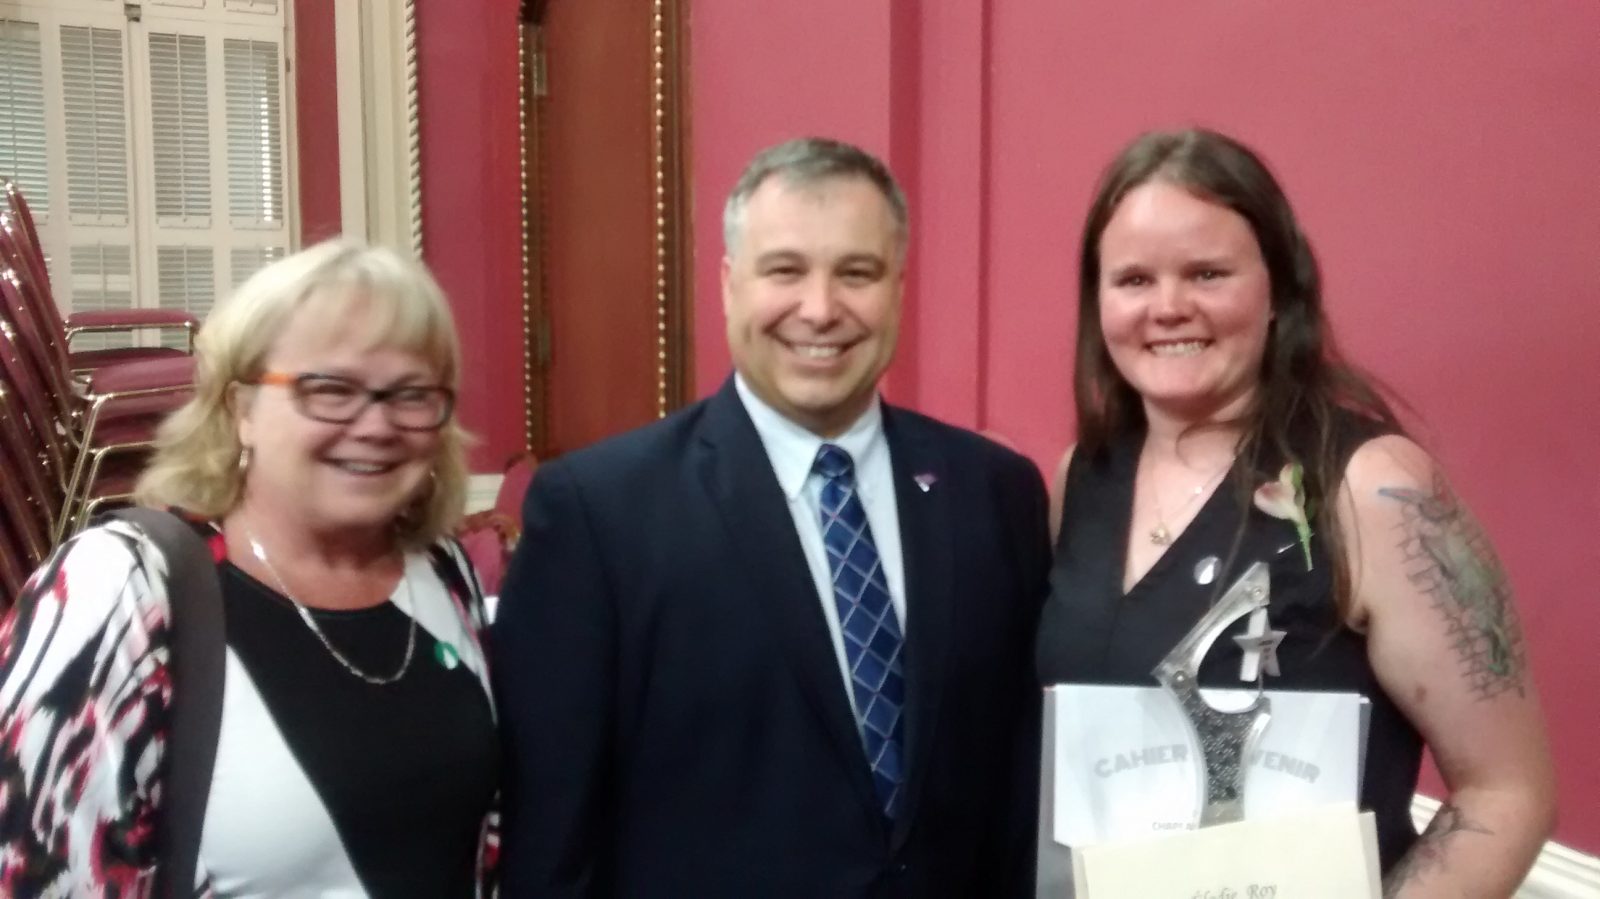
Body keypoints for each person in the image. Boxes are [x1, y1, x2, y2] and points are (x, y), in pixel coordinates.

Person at [492, 137, 1051, 897]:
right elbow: (552, 838)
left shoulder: (995, 493)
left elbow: (1016, 787)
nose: (820, 309)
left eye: (857, 272)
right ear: (728, 284)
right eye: (784, 270)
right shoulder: (598, 513)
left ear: (899, 287)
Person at [1035, 129, 1556, 896]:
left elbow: (1508, 792)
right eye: (1134, 279)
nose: (1169, 306)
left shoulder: (1373, 488)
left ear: (1279, 289)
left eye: (1208, 273)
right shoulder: (1080, 478)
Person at [0, 240, 498, 896]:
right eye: (330, 388)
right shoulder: (122, 591)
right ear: (241, 411)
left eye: (411, 394)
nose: (376, 424)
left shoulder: (441, 571)